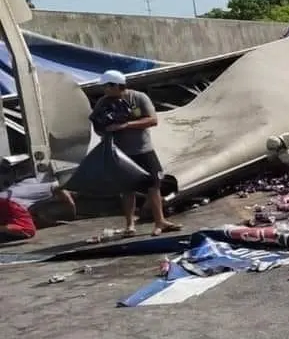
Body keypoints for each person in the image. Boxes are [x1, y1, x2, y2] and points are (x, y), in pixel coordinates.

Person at [91, 70, 182, 236]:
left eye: (107, 86)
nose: (104, 90)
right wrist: (105, 130)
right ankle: (130, 225)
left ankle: (160, 222)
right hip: (120, 153)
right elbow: (97, 126)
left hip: (143, 150)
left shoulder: (138, 98)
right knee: (127, 188)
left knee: (154, 186)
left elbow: (152, 120)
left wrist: (124, 125)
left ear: (117, 86)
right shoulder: (103, 103)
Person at [0, 177, 75, 241]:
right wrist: (71, 206)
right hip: (10, 203)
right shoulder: (24, 191)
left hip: (12, 208)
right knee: (28, 230)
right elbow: (56, 187)